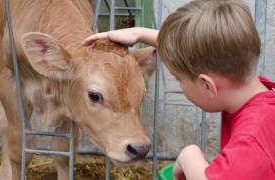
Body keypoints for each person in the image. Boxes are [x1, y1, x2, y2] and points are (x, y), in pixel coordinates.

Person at [83, 0, 275, 179]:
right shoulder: (259, 96)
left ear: (207, 85)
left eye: (179, 79)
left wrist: (189, 156)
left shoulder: (252, 141)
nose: (180, 85)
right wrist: (140, 33)